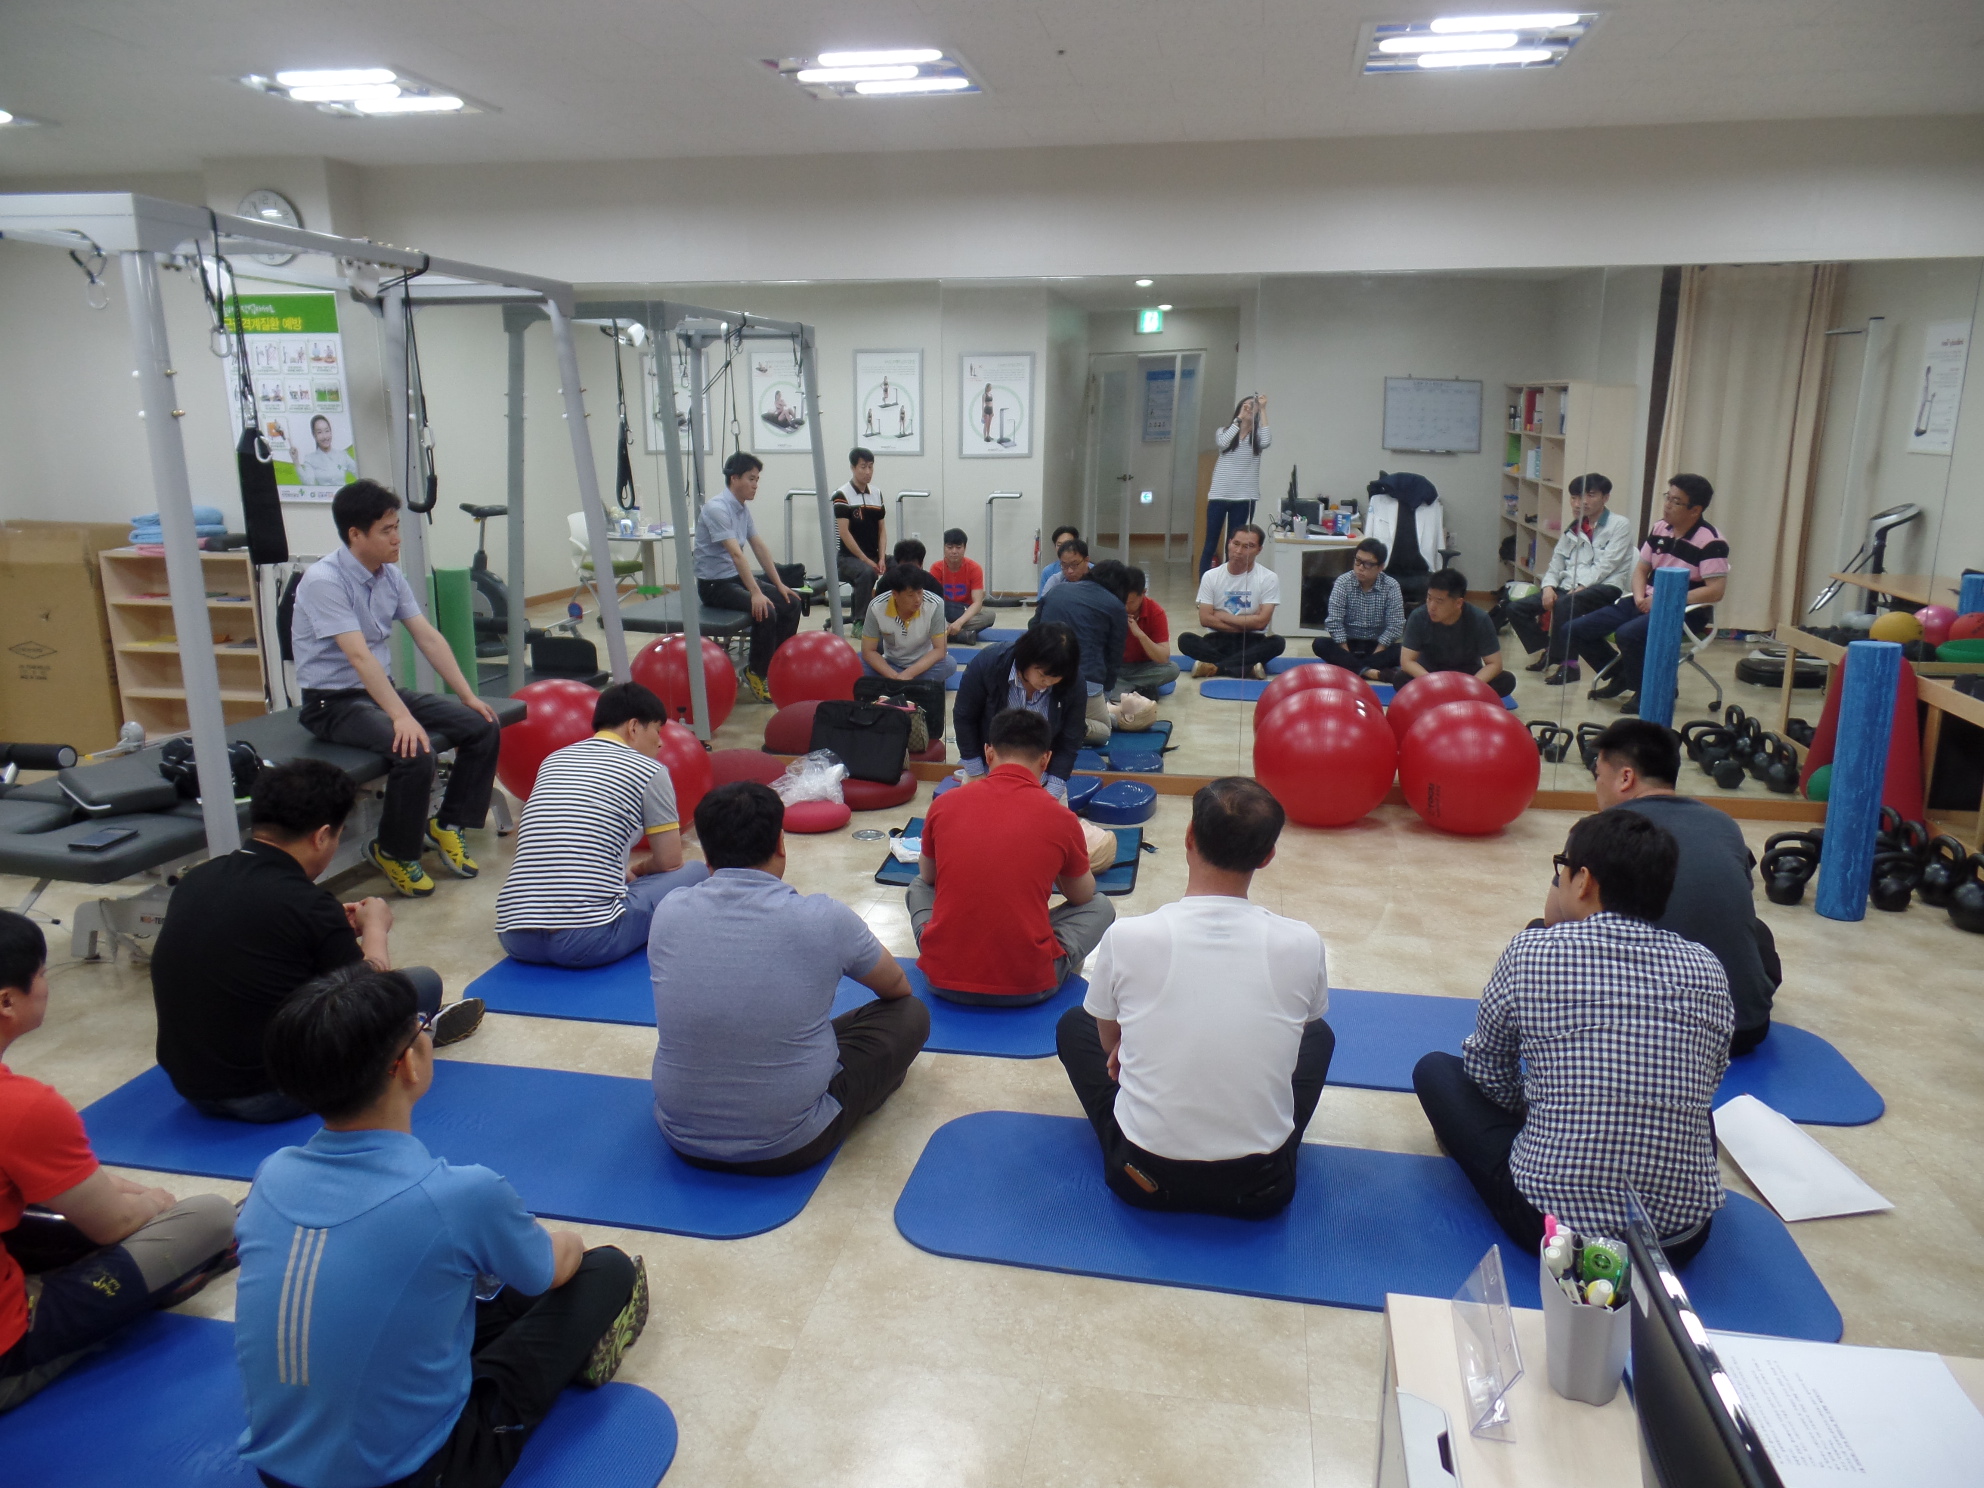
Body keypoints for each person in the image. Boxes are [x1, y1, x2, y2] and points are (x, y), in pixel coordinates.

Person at [235, 965, 647, 1488]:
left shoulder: (271, 1174)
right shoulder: (460, 1195)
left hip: (275, 1474)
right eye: (422, 1027)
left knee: (456, 1289)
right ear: (408, 1064)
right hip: (421, 1475)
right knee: (605, 1271)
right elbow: (553, 1270)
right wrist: (564, 1243)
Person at [1412, 812, 1733, 1263]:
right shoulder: (1706, 967)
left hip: (1557, 1232)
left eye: (1561, 867)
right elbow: (1710, 1078)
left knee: (1435, 1071)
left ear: (1583, 881)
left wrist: (1542, 1108)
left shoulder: (1532, 951)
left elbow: (1488, 1074)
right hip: (1679, 1240)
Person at [1056, 779, 1333, 1219]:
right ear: (1267, 856)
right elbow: (1297, 1036)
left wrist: (1137, 1055)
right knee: (1319, 1036)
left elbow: (1110, 1044)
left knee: (1075, 1025)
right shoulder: (1303, 943)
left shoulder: (1128, 937)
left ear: (1188, 836)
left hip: (1143, 1179)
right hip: (1262, 1188)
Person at [152, 759, 483, 1124]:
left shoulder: (198, 879)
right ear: (322, 835)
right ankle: (414, 1031)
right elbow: (371, 997)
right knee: (421, 983)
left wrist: (327, 929)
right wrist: (375, 929)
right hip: (274, 1094)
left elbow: (257, 942)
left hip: (191, 1087)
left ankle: (411, 1029)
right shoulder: (309, 906)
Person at [0, 911, 237, 1413]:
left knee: (63, 1214)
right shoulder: (22, 1107)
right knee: (211, 1216)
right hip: (7, 1351)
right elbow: (115, 1224)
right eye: (41, 974)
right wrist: (153, 1203)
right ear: (6, 1001)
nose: (47, 985)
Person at [649, 782, 929, 1174]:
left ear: (707, 856)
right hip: (790, 1143)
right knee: (911, 1014)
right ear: (781, 844)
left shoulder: (669, 910)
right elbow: (897, 987)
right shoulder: (823, 917)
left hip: (682, 1134)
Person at [292, 480, 503, 898]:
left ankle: (447, 823)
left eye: (396, 528)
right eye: (386, 530)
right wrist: (401, 716)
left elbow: (427, 637)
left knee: (482, 725)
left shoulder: (389, 576)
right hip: (331, 703)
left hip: (377, 691)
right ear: (356, 534)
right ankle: (393, 850)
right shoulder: (323, 580)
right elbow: (358, 657)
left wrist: (467, 696)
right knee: (415, 749)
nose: (396, 538)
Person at [1592, 719, 1779, 1054]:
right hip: (1744, 1030)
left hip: (1645, 1031)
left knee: (1544, 932)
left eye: (1598, 776)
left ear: (1625, 778)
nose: (1597, 787)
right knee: (1758, 933)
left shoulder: (1600, 830)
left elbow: (1558, 919)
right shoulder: (1723, 823)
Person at [495, 682, 711, 970]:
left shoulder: (554, 760)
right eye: (657, 730)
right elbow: (670, 861)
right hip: (586, 942)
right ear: (634, 727)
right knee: (695, 871)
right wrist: (638, 870)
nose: (660, 743)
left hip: (515, 938)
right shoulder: (650, 770)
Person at [910, 709, 1116, 1004]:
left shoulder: (944, 804)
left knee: (918, 885)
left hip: (940, 978)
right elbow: (1082, 895)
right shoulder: (1061, 818)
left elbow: (928, 877)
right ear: (1046, 760)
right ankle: (1041, 958)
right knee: (1101, 906)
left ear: (988, 753)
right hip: (1028, 987)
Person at [1570, 473, 1728, 711]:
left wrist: (1665, 600)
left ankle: (1645, 691)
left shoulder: (1711, 542)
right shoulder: (1660, 528)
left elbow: (1715, 591)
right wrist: (1639, 596)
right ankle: (1622, 676)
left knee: (1628, 634)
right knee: (1576, 629)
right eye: (1667, 497)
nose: (1667, 505)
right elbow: (1641, 569)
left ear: (1695, 510)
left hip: (1684, 611)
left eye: (1676, 501)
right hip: (1645, 600)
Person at [1501, 474, 1634, 685]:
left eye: (1590, 495)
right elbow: (1556, 562)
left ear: (1605, 497)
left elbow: (1608, 564)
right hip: (1568, 587)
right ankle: (1550, 650)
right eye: (1575, 497)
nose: (1581, 502)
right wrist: (1548, 587)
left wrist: (1582, 586)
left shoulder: (1619, 525)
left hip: (1605, 586)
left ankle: (1569, 666)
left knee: (1565, 604)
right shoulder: (1574, 527)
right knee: (1515, 608)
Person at [694, 451, 801, 702]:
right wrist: (756, 593)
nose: (755, 485)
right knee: (766, 610)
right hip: (714, 585)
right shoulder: (716, 509)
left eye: (757, 480)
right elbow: (736, 554)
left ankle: (776, 667)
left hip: (734, 578)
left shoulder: (742, 509)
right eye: (751, 479)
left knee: (791, 602)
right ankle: (756, 672)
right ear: (734, 478)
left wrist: (779, 584)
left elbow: (759, 547)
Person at [954, 625, 1088, 802]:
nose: (1048, 682)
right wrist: (976, 774)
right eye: (1042, 674)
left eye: (1056, 677)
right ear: (1026, 659)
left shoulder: (1073, 682)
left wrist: (1050, 794)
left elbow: (1070, 740)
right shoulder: (988, 664)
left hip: (1043, 779)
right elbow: (964, 717)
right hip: (986, 772)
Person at [1034, 556, 1130, 745]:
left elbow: (1034, 627)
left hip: (1038, 677)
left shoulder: (1057, 590)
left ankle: (1048, 717)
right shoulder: (1115, 606)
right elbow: (1114, 656)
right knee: (1103, 731)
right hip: (1085, 681)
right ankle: (1056, 724)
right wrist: (1106, 695)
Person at [1178, 524, 1287, 679]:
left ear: (1259, 550)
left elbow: (1261, 623)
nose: (1239, 551)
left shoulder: (1268, 578)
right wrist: (1248, 622)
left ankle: (1216, 667)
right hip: (1218, 639)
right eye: (1236, 544)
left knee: (1277, 642)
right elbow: (1205, 619)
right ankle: (1245, 667)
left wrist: (1222, 616)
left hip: (1252, 639)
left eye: (1248, 546)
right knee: (1185, 640)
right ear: (1229, 543)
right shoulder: (1211, 576)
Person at [1394, 568, 1514, 697]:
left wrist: (1470, 685)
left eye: (1439, 601)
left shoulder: (1479, 619)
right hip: (1430, 676)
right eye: (1429, 598)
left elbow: (1495, 664)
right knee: (1401, 678)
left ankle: (1458, 696)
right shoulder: (1418, 616)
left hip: (1468, 676)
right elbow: (1407, 661)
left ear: (1458, 603)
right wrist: (1434, 683)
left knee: (1506, 680)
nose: (1432, 606)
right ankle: (1451, 697)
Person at [1311, 538, 1405, 678]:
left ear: (1381, 567)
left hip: (1377, 646)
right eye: (1358, 561)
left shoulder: (1391, 586)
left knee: (1405, 650)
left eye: (1368, 564)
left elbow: (1395, 625)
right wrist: (1346, 653)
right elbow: (1334, 622)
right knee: (1319, 644)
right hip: (1348, 645)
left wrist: (1376, 654)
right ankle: (1372, 672)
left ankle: (1352, 667)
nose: (1360, 567)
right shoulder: (1343, 582)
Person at [1201, 395, 1269, 573]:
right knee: (1210, 543)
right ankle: (1204, 585)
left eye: (1252, 407)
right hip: (1219, 495)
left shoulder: (1257, 437)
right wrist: (1239, 419)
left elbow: (1267, 441)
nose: (1249, 409)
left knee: (1235, 545)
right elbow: (1223, 443)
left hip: (1244, 498)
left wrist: (1263, 409)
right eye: (1245, 405)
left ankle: (1229, 581)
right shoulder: (1224, 431)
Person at [1359, 472, 1444, 612]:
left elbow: (1439, 541)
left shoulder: (1431, 505)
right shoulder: (1378, 501)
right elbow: (1369, 540)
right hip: (1386, 568)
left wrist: (1440, 573)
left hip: (1421, 569)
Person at [861, 565, 955, 686]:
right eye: (910, 595)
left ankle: (893, 685)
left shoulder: (935, 604)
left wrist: (908, 674)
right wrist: (895, 676)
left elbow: (940, 650)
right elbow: (868, 651)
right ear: (895, 594)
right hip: (891, 662)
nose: (918, 599)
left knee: (949, 664)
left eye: (920, 592)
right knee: (859, 662)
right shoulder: (876, 606)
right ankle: (914, 685)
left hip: (923, 664)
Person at [831, 447, 886, 633]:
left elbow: (882, 530)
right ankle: (860, 622)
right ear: (853, 468)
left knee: (900, 567)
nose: (868, 471)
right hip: (848, 558)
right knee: (867, 572)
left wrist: (882, 558)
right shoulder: (842, 495)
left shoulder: (876, 493)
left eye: (871, 466)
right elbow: (844, 532)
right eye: (863, 467)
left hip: (873, 555)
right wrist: (866, 560)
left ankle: (888, 616)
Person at [1116, 566, 1180, 699]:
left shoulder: (1156, 612)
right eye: (1122, 601)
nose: (1126, 607)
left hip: (1145, 667)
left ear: (1143, 593)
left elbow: (1163, 657)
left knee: (1172, 670)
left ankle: (1123, 690)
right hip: (1116, 667)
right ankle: (1139, 690)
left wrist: (1140, 635)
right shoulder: (1113, 607)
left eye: (1131, 602)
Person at [936, 528, 992, 642]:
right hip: (944, 611)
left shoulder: (974, 568)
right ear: (944, 548)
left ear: (965, 548)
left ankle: (947, 634)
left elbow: (977, 603)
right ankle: (961, 635)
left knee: (990, 616)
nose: (954, 551)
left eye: (958, 547)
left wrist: (959, 623)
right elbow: (933, 601)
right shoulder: (936, 568)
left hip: (964, 612)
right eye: (950, 547)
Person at [294, 413, 357, 488]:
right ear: (314, 435)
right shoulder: (310, 459)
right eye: (319, 432)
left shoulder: (342, 455)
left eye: (327, 431)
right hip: (323, 495)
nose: (325, 436)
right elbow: (309, 483)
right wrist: (296, 461)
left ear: (331, 432)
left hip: (342, 494)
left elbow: (359, 472)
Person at [1038, 525, 1081, 597]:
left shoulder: (1091, 569)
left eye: (1068, 544)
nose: (1063, 549)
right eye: (1059, 545)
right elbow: (1042, 600)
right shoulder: (1048, 571)